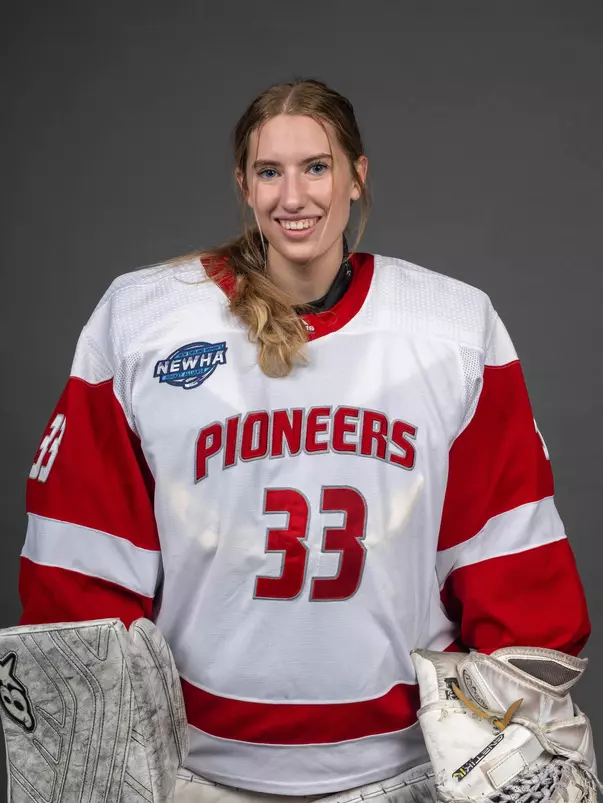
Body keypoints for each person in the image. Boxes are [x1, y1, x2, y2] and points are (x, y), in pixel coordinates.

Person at [15, 78, 593, 801]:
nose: (293, 196)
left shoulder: (451, 328)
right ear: (243, 185)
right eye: (269, 171)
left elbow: (508, 560)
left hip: (402, 771)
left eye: (316, 166)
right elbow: (81, 567)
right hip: (193, 773)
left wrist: (526, 720)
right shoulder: (142, 322)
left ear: (356, 175)